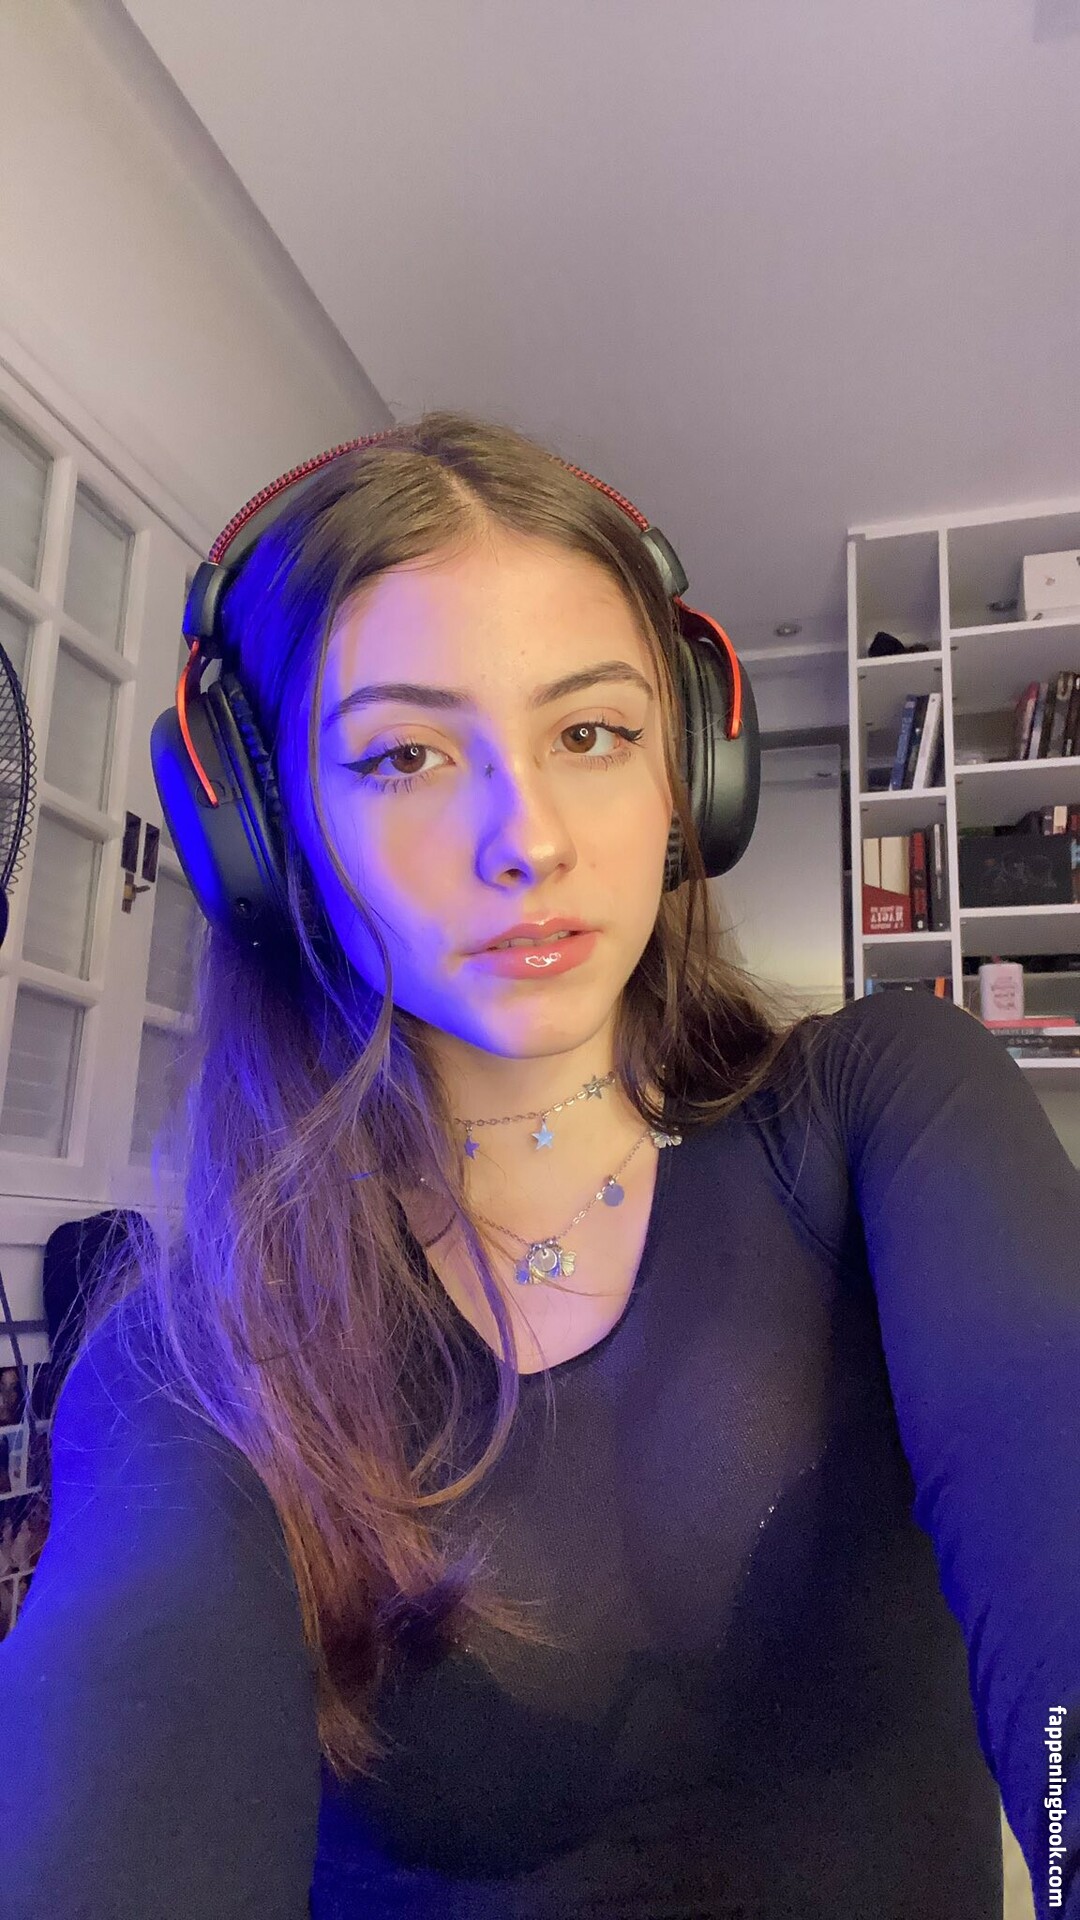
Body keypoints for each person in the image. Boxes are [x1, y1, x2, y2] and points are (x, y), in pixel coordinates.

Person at [0, 410, 1077, 1920]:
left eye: (590, 733)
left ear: (687, 777)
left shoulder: (895, 1107)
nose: (530, 840)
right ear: (266, 836)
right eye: (405, 755)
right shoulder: (191, 1366)